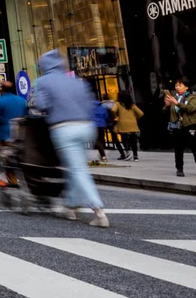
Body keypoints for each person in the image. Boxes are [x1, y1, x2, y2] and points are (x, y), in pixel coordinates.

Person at [30, 49, 110, 227]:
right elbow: (89, 103)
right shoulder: (75, 80)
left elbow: (41, 105)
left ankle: (98, 210)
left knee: (78, 169)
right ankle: (72, 206)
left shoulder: (42, 81)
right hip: (87, 127)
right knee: (76, 167)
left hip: (64, 128)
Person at [164, 78, 196, 177]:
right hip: (177, 126)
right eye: (176, 86)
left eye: (180, 85)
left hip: (190, 125)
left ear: (186, 87)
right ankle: (179, 169)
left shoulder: (192, 97)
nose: (177, 87)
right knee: (178, 149)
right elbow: (169, 113)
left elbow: (190, 108)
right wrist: (167, 105)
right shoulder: (174, 98)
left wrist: (177, 103)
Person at [114, 89, 144, 161]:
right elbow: (141, 113)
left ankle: (127, 152)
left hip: (122, 124)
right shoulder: (132, 104)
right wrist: (135, 118)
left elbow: (113, 110)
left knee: (124, 138)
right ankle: (135, 156)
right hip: (132, 124)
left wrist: (115, 117)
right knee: (133, 140)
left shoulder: (118, 104)